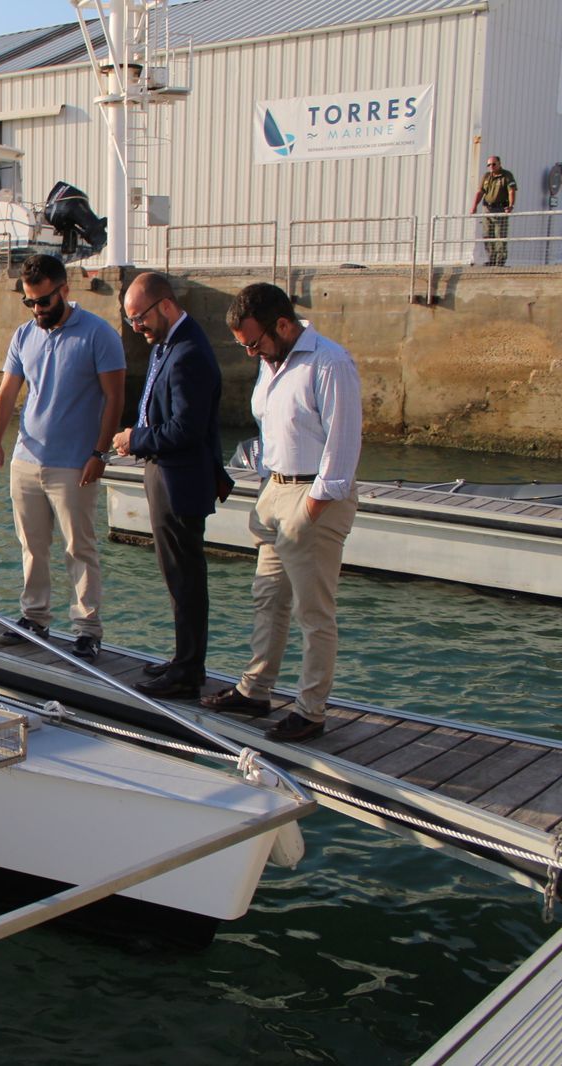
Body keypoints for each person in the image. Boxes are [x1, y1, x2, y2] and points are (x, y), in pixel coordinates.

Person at [200, 283, 361, 743]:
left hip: (313, 497)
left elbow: (343, 447)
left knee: (314, 613)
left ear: (284, 326)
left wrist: (310, 509)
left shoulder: (330, 363)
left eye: (254, 342)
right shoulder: (272, 363)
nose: (251, 353)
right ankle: (255, 689)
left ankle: (311, 710)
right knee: (268, 598)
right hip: (276, 491)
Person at [0, 253, 125, 658]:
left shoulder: (99, 335)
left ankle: (87, 630)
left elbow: (115, 398)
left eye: (43, 301)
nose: (36, 310)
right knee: (32, 545)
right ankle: (34, 618)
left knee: (79, 547)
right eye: (29, 302)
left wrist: (99, 453)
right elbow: (7, 392)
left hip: (75, 463)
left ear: (64, 290)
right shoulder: (24, 335)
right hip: (26, 459)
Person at [111, 272, 230, 700]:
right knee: (176, 576)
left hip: (179, 479)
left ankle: (188, 670)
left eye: (138, 318)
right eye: (130, 322)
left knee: (185, 577)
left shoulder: (188, 352)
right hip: (166, 473)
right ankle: (184, 659)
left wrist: (135, 438)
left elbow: (186, 428)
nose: (135, 328)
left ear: (164, 305)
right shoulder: (169, 344)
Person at [471, 155, 517, 266]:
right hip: (487, 208)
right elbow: (480, 192)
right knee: (487, 235)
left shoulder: (506, 175)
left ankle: (499, 262)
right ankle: (491, 259)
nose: (491, 166)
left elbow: (511, 191)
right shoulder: (486, 176)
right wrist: (474, 206)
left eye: (494, 164)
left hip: (500, 208)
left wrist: (511, 205)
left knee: (499, 235)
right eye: (489, 164)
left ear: (499, 164)